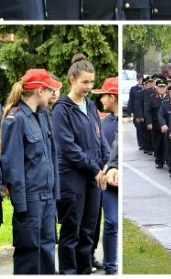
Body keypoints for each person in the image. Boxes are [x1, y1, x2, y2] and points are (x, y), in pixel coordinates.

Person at [51, 55, 110, 274]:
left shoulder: (91, 106)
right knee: (72, 230)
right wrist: (94, 168)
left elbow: (100, 139)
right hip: (72, 176)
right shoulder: (61, 109)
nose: (89, 87)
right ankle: (68, 272)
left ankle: (85, 269)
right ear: (72, 79)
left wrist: (105, 166)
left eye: (91, 82)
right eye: (85, 82)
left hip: (93, 177)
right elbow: (68, 147)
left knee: (88, 229)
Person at [0, 68, 60, 274]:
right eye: (50, 90)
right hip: (30, 199)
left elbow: (51, 159)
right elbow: (12, 165)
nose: (53, 94)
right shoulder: (16, 119)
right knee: (30, 254)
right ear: (39, 91)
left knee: (47, 251)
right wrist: (21, 205)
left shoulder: (42, 115)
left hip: (46, 197)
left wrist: (54, 194)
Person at [93, 76, 119, 275]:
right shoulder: (103, 121)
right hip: (108, 180)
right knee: (111, 221)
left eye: (103, 95)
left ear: (112, 97)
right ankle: (110, 264)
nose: (101, 99)